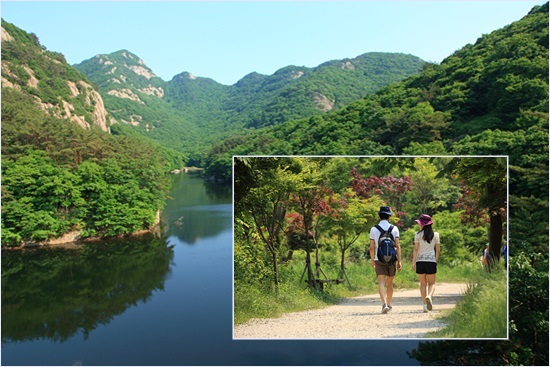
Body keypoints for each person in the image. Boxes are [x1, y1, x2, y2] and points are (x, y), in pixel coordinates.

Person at [369, 206, 402, 314]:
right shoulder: (394, 228)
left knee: (381, 282)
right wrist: (399, 261)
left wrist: (373, 259)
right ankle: (389, 303)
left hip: (379, 258)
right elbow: (397, 246)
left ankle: (384, 304)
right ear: (389, 216)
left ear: (379, 215)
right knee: (390, 283)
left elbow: (371, 247)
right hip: (392, 259)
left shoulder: (374, 229)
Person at [412, 214, 440, 313]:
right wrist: (435, 261)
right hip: (431, 261)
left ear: (422, 224)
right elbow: (438, 250)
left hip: (420, 261)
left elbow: (415, 249)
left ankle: (424, 305)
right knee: (432, 283)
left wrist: (413, 262)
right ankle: (429, 296)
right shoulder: (436, 235)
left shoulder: (417, 234)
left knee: (423, 284)